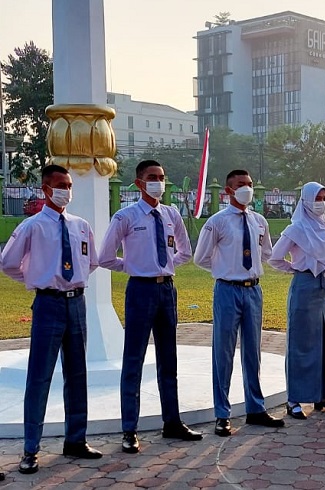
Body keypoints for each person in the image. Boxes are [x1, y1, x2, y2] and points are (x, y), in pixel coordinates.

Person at [1, 165, 102, 474]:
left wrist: (73, 283)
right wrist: (37, 277)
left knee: (77, 374)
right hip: (48, 304)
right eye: (60, 185)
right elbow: (7, 262)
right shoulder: (32, 226)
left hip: (76, 304)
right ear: (45, 189)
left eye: (69, 185)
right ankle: (31, 449)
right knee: (40, 376)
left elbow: (93, 261)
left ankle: (76, 439)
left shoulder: (80, 225)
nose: (66, 191)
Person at [100, 160, 201, 454]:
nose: (158, 182)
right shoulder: (126, 216)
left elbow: (185, 251)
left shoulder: (171, 214)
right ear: (139, 182)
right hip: (141, 290)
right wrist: (133, 266)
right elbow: (106, 257)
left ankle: (172, 422)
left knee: (169, 360)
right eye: (152, 178)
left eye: (161, 177)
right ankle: (129, 430)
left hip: (167, 290)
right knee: (133, 360)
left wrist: (165, 266)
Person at [193, 170, 283, 436]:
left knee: (253, 351)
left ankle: (256, 408)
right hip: (228, 290)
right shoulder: (218, 222)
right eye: (241, 185)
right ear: (228, 190)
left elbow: (265, 252)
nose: (247, 189)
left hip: (253, 290)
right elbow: (201, 257)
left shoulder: (259, 221)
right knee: (224, 352)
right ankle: (222, 413)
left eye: (250, 184)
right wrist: (225, 268)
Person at [268, 182, 325, 419]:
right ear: (306, 200)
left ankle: (322, 396)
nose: (321, 202)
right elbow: (275, 257)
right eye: (317, 197)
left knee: (324, 340)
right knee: (301, 342)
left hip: (324, 286)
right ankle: (295, 399)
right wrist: (294, 269)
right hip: (304, 284)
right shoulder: (296, 229)